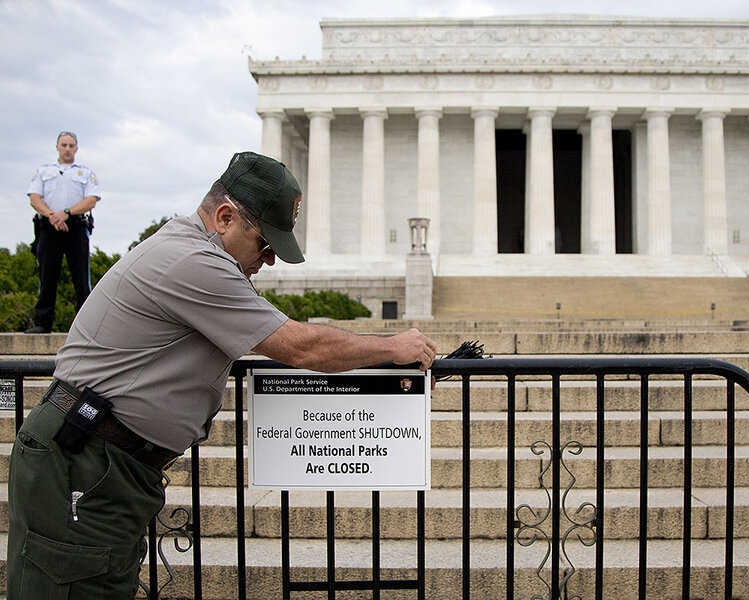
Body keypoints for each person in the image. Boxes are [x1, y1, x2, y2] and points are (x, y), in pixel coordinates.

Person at [6, 151, 437, 599]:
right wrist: (392, 347)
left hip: (101, 459)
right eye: (264, 244)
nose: (269, 260)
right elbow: (298, 345)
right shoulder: (193, 260)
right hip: (86, 459)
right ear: (226, 217)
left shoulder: (188, 249)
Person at [24, 131, 101, 333]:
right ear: (57, 147)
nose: (67, 149)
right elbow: (34, 198)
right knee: (47, 275)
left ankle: (85, 327)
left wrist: (66, 214)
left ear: (76, 149)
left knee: (81, 278)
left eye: (71, 145)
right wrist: (52, 216)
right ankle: (42, 323)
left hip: (75, 227)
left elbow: (91, 199)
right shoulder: (43, 171)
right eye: (64, 145)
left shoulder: (85, 173)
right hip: (49, 228)